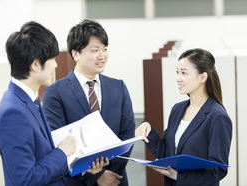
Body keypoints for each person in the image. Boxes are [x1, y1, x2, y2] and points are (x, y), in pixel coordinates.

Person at [0, 21, 108, 186]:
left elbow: (43, 157)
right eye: (52, 59)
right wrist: (63, 153)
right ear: (35, 65)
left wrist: (78, 164)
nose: (55, 65)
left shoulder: (29, 99)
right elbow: (26, 179)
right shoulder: (12, 113)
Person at [42, 19, 135, 186]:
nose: (102, 55)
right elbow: (57, 141)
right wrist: (97, 176)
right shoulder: (55, 92)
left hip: (116, 179)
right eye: (95, 50)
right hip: (78, 181)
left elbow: (127, 134)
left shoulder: (118, 87)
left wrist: (111, 173)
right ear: (75, 53)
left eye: (105, 49)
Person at [135, 48, 232, 186]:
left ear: (202, 77)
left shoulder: (217, 117)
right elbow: (166, 153)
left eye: (184, 73)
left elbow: (218, 170)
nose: (178, 78)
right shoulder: (177, 109)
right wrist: (148, 130)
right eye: (177, 72)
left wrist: (179, 177)